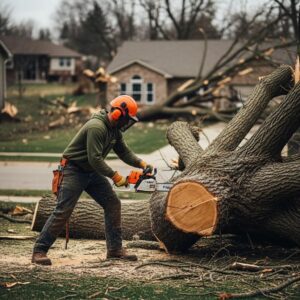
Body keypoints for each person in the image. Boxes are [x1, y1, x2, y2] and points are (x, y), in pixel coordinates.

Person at [32, 95, 153, 265]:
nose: (127, 123)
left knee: (112, 203)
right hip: (73, 170)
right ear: (118, 114)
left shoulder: (115, 130)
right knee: (63, 210)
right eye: (127, 119)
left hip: (91, 172)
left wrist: (142, 163)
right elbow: (95, 159)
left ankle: (115, 250)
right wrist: (115, 176)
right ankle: (39, 250)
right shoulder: (97, 127)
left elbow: (124, 152)